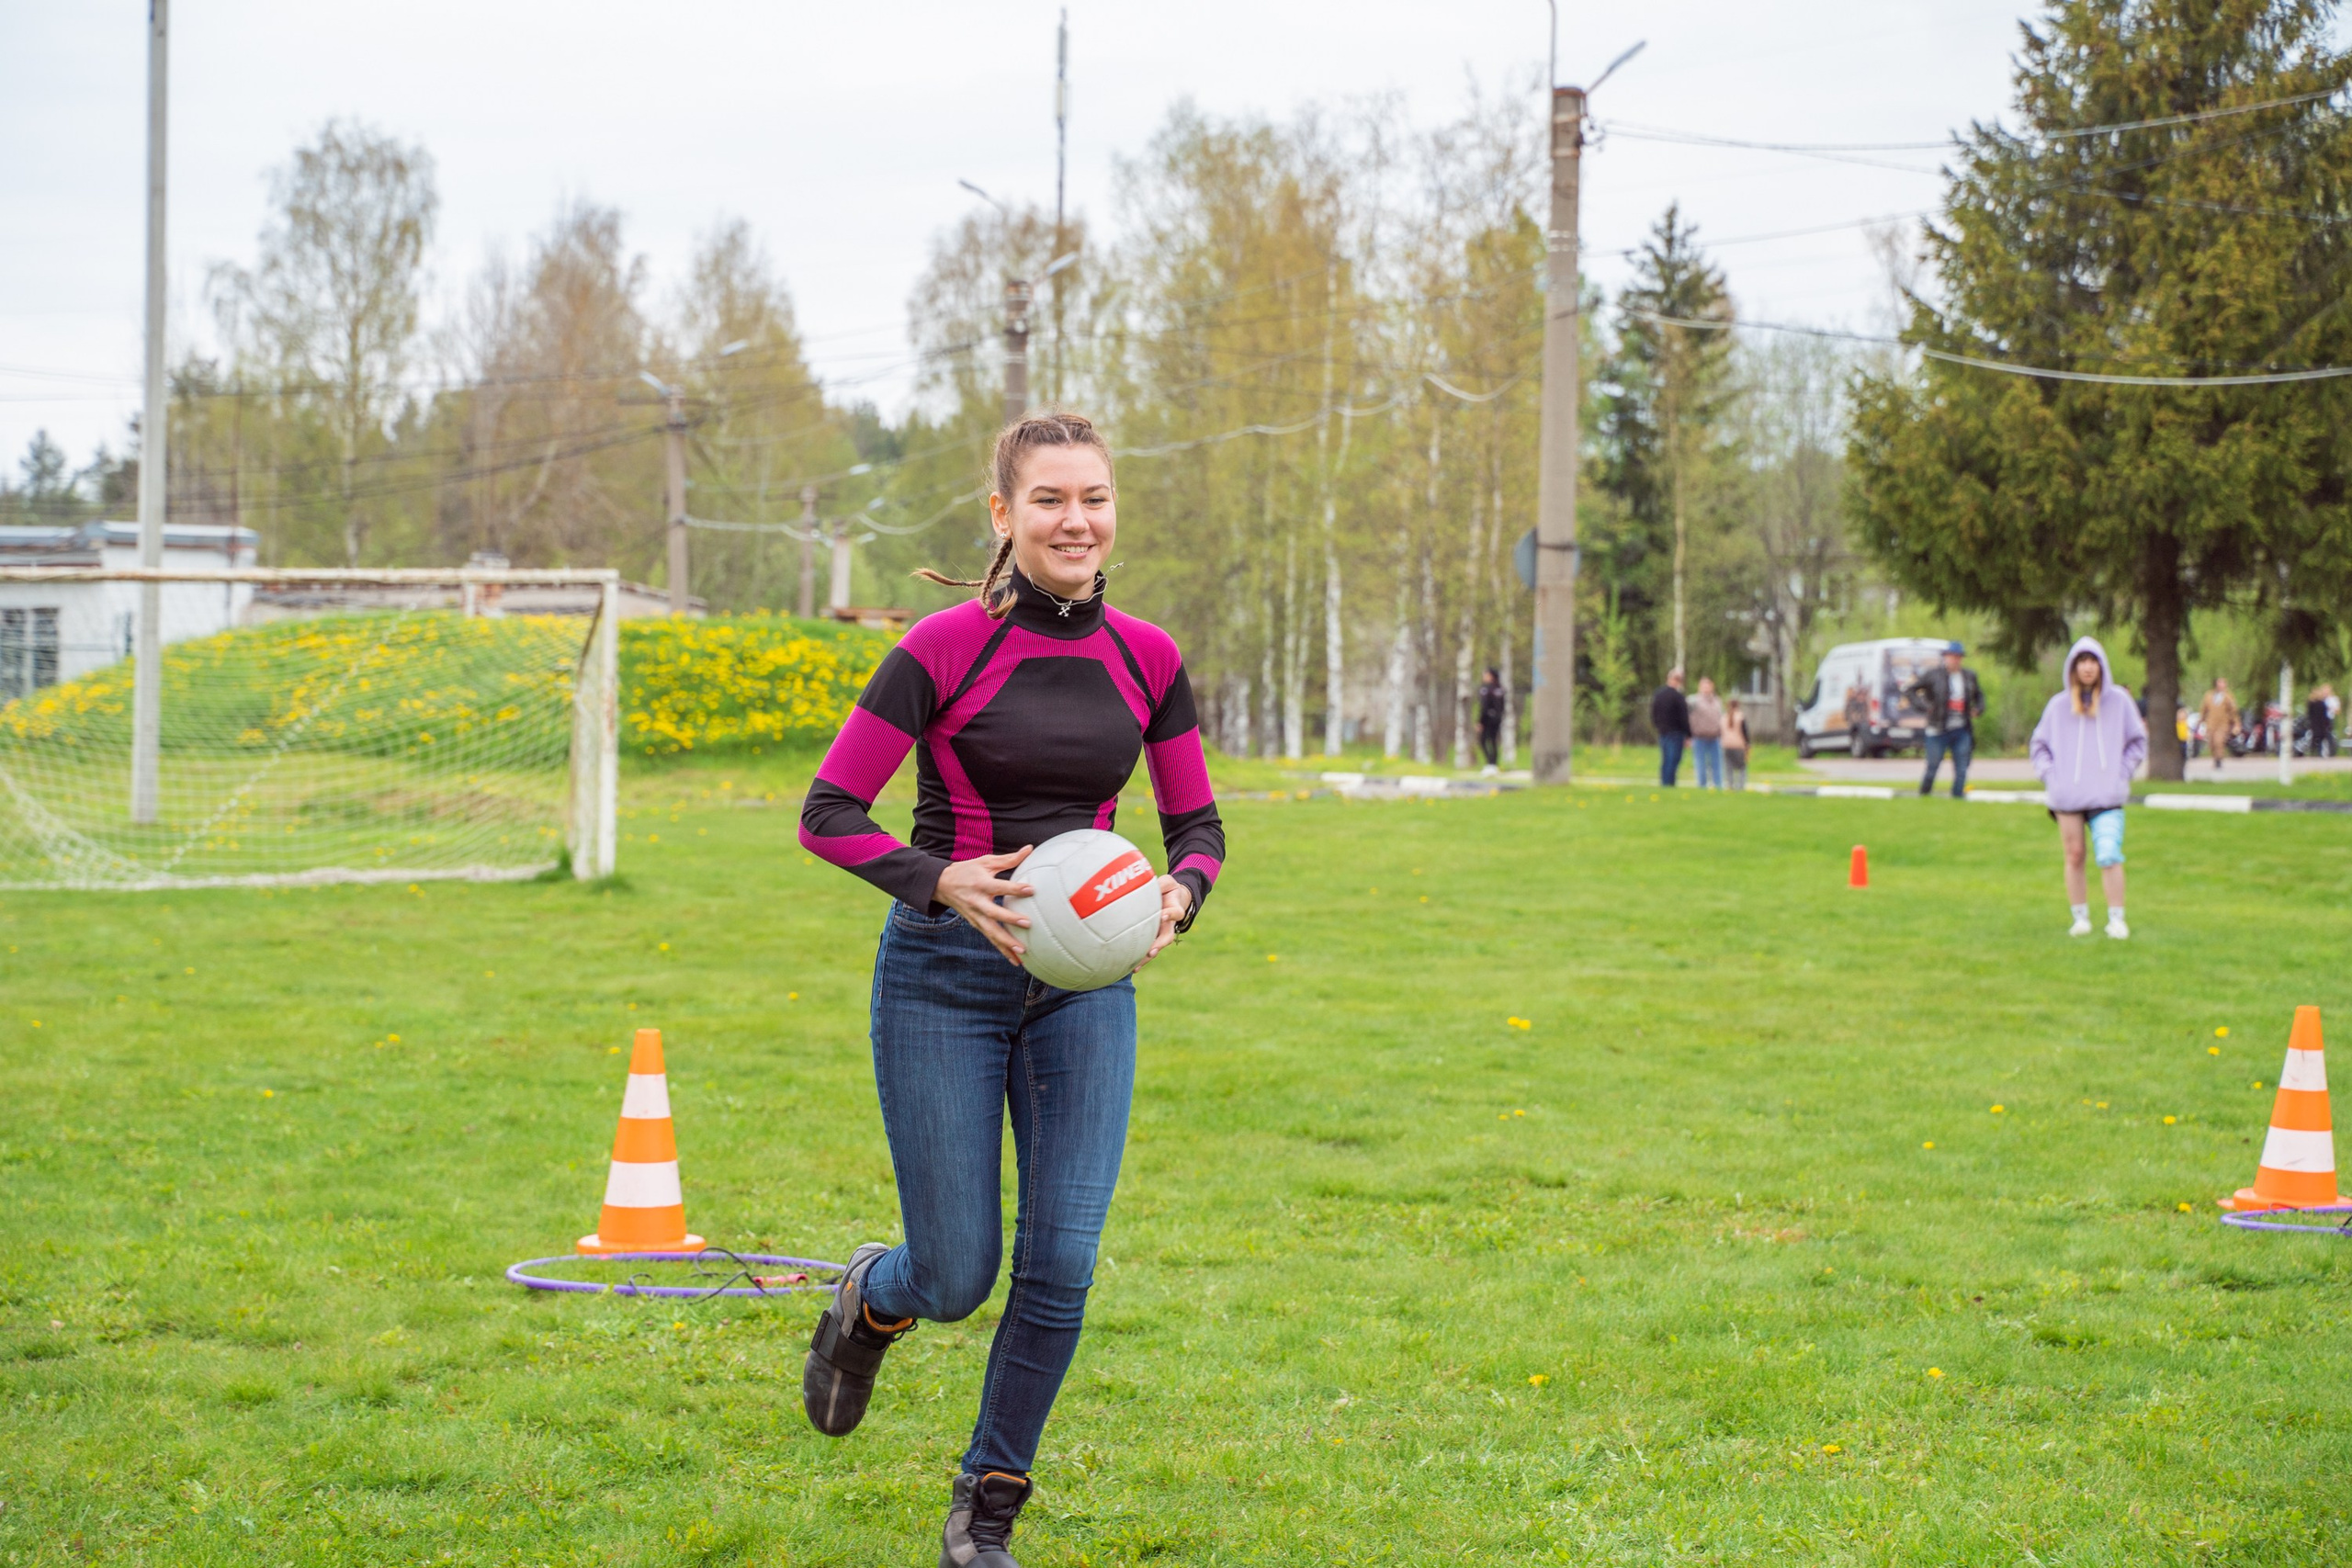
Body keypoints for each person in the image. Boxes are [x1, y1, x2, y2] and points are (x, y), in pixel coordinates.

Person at [797, 412, 1224, 1566]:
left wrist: (1178, 896)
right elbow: (827, 814)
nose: (1074, 520)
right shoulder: (941, 647)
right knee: (955, 1274)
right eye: (1048, 500)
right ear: (1003, 516)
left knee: (1062, 1262)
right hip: (943, 979)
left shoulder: (1148, 656)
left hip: (1086, 991)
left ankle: (986, 1506)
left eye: (1093, 497)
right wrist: (941, 883)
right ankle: (868, 1301)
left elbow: (1197, 827)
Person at [2030, 636, 2146, 941]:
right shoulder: (2058, 706)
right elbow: (2039, 746)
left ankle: (2116, 918)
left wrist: (2122, 774)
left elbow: (2137, 741)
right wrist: (2051, 777)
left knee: (2108, 853)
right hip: (2067, 796)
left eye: (2093, 661)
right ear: (2073, 667)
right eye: (2082, 661)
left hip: (2106, 795)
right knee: (2075, 854)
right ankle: (2080, 917)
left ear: (2101, 665)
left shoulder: (2119, 701)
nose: (2088, 667)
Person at [1905, 640, 1983, 797]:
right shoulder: (1933, 675)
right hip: (1938, 729)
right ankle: (1924, 794)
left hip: (1962, 729)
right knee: (1932, 766)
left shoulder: (1969, 676)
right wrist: (1925, 707)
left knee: (1962, 767)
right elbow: (1911, 690)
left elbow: (1979, 696)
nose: (1955, 660)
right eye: (1952, 657)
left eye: (1958, 657)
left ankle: (1957, 797)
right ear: (1945, 657)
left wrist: (1978, 709)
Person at [1650, 669, 1690, 785]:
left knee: (1666, 758)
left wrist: (1658, 726)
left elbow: (1653, 714)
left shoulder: (1658, 694)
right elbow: (1684, 717)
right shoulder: (1678, 697)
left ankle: (1664, 781)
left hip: (1663, 731)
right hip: (1676, 732)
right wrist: (1688, 734)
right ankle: (1669, 783)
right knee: (1673, 759)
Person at [1688, 676, 1725, 789]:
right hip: (1699, 737)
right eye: (1703, 686)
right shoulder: (1693, 701)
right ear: (1699, 687)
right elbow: (1687, 718)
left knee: (1717, 763)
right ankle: (1702, 785)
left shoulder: (1717, 701)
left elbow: (1721, 718)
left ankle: (1718, 785)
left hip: (1715, 737)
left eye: (1708, 686)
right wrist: (1688, 736)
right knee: (1701, 763)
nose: (1706, 688)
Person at [2198, 677, 2239, 772]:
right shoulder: (2208, 695)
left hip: (2223, 724)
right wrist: (2201, 720)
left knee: (2218, 741)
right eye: (2220, 683)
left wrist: (2236, 723)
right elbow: (2204, 709)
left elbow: (2233, 711)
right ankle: (2215, 758)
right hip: (2211, 723)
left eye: (2224, 684)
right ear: (2216, 685)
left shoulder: (2228, 696)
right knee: (2211, 743)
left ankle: (2219, 761)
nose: (2223, 686)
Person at [1475, 666, 1506, 772]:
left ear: (1491, 676)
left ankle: (1490, 763)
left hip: (1487, 718)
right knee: (1493, 740)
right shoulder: (1500, 689)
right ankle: (1494, 764)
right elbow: (1502, 706)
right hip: (1497, 718)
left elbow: (1484, 706)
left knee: (1483, 740)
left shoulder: (1486, 689)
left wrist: (1480, 722)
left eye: (1486, 675)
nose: (1484, 677)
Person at [1722, 697, 1750, 791]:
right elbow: (1745, 732)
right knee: (1742, 767)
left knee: (1728, 766)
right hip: (1739, 745)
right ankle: (1741, 786)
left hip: (1726, 745)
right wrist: (1748, 745)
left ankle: (1730, 785)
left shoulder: (1724, 717)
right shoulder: (1740, 717)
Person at [1842, 680, 1871, 757]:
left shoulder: (1864, 704)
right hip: (1854, 724)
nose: (1861, 697)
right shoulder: (1852, 703)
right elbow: (1849, 715)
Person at [2309, 684, 2336, 759]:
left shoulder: (2310, 703)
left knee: (2315, 738)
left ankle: (2313, 752)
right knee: (2324, 738)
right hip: (2322, 724)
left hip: (2314, 724)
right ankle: (2323, 753)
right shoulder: (2322, 704)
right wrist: (2327, 724)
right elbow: (2324, 715)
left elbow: (2309, 714)